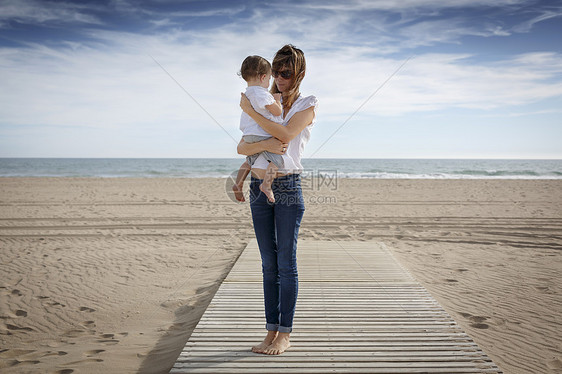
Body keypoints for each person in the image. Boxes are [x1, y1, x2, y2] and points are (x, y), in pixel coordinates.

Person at [237, 44, 318, 355]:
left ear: (298, 73)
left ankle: (285, 334)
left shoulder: (306, 104)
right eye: (277, 71)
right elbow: (243, 148)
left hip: (287, 189)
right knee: (268, 265)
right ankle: (270, 331)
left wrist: (250, 114)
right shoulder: (264, 99)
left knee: (286, 263)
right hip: (259, 189)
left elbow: (284, 137)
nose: (280, 78)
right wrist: (263, 135)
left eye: (286, 73)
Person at [233, 55, 293, 203]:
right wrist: (277, 101)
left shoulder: (247, 94)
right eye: (269, 79)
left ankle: (238, 183)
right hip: (262, 135)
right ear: (263, 77)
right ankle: (266, 185)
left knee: (249, 162)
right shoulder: (262, 94)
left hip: (248, 135)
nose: (268, 83)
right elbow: (277, 112)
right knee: (278, 161)